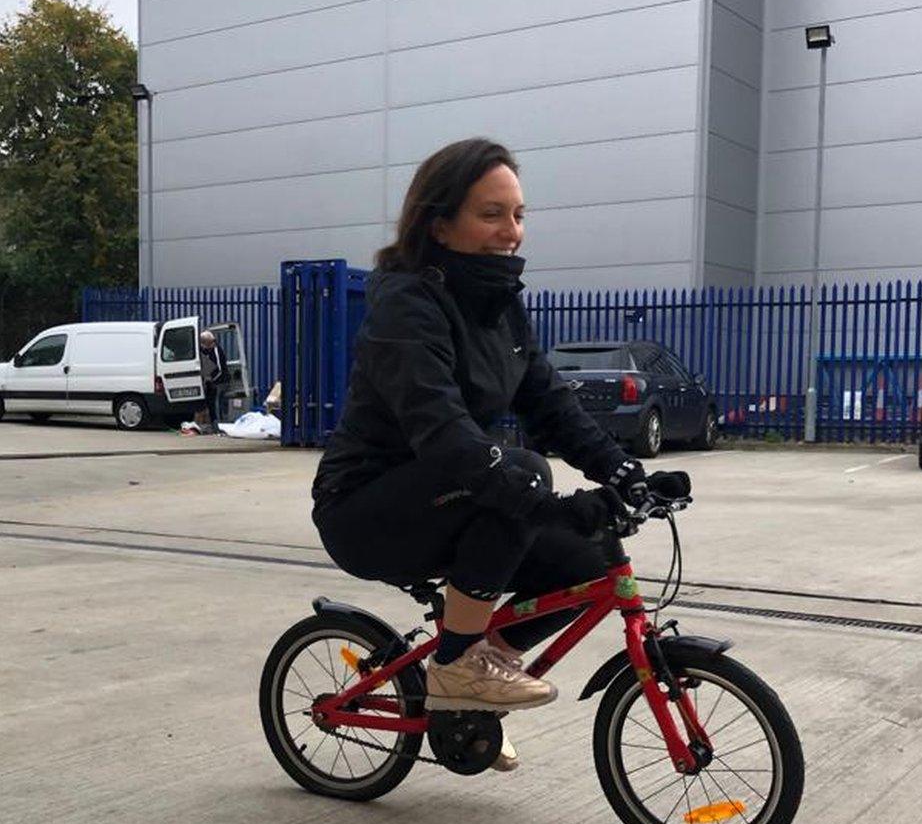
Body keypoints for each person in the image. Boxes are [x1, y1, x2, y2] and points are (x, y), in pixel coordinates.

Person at [311, 138, 690, 771]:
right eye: (491, 214)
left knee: (584, 563)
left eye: (518, 215)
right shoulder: (405, 305)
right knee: (519, 471)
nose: (510, 232)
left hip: (455, 493)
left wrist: (623, 472)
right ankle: (459, 667)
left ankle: (470, 685)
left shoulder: (501, 304)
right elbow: (443, 430)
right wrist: (554, 502)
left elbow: (549, 402)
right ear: (439, 224)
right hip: (368, 508)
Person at [199, 330, 228, 428]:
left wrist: (212, 380)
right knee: (209, 400)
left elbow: (220, 370)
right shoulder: (206, 350)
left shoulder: (216, 350)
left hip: (220, 380)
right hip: (212, 380)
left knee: (214, 400)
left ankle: (217, 423)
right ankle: (213, 422)